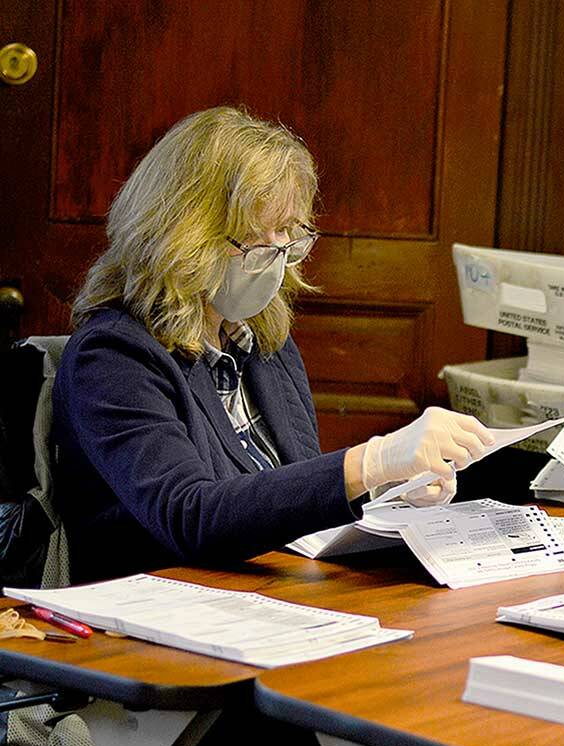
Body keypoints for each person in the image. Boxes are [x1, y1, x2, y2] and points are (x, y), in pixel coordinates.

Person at [53, 106, 494, 583]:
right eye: (252, 236)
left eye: (286, 232)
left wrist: (389, 486)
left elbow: (284, 496)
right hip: (154, 608)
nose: (276, 255)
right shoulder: (112, 356)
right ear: (180, 236)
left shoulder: (263, 338)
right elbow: (191, 517)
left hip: (267, 588)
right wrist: (372, 461)